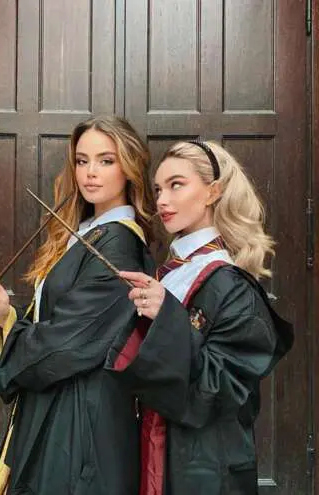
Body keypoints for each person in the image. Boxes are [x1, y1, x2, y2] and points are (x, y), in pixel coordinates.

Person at [0, 116, 155, 495]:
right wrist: (5, 315)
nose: (90, 172)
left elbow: (69, 343)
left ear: (129, 167)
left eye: (106, 161)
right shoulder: (87, 232)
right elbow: (60, 325)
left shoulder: (119, 245)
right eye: (82, 160)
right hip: (60, 401)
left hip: (82, 418)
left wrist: (16, 343)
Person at [106, 140, 293, 495]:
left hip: (205, 470)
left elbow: (222, 389)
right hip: (156, 453)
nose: (162, 200)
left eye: (176, 185)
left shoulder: (231, 283)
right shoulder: (170, 274)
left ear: (212, 192)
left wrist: (167, 317)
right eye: (158, 189)